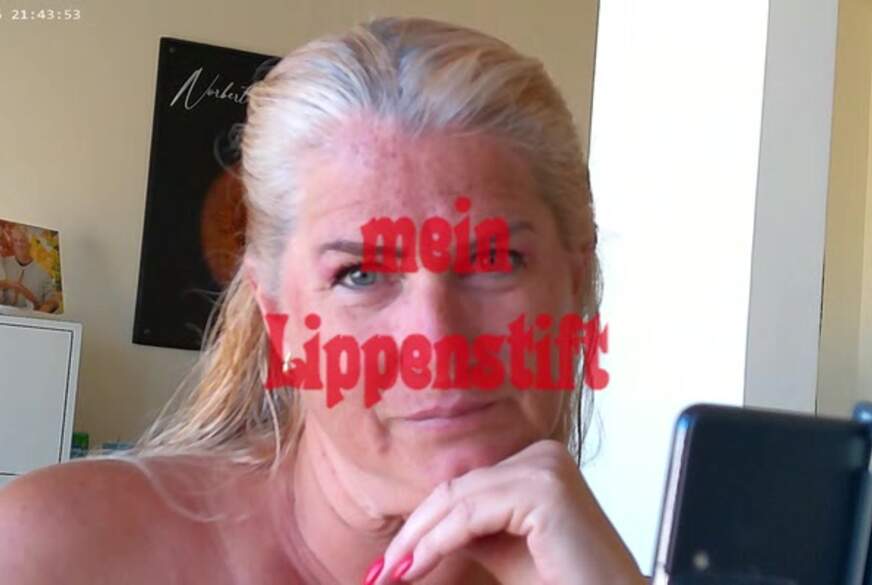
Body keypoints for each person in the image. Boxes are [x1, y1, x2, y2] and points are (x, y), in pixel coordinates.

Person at [0, 16, 647, 584]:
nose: (436, 344)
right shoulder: (55, 551)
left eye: (493, 261)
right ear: (278, 317)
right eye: (360, 275)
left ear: (573, 284)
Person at [0, 224, 60, 312]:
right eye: (15, 240)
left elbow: (53, 300)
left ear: (30, 243)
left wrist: (45, 309)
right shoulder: (3, 263)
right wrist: (12, 285)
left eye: (22, 240)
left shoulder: (42, 272)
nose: (19, 244)